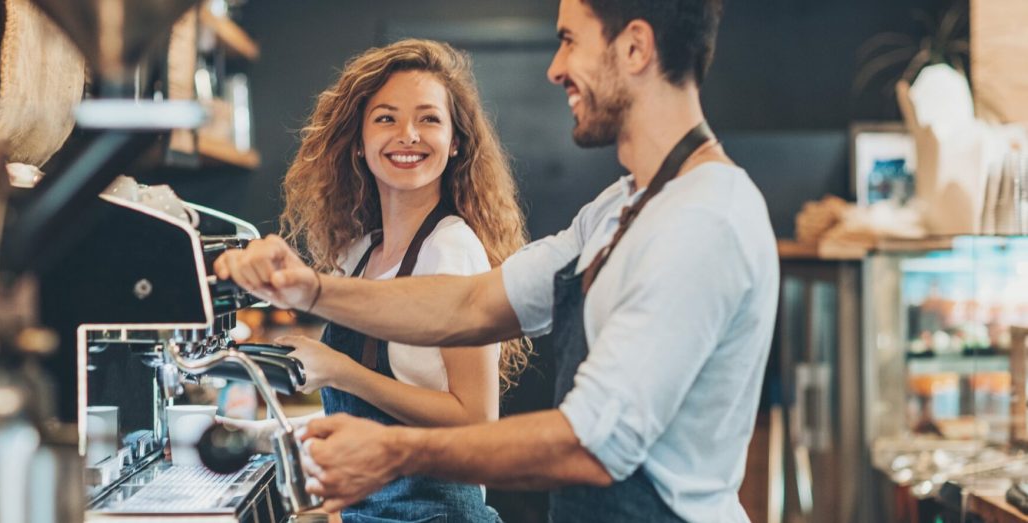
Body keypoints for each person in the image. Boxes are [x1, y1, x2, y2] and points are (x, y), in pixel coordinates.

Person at [214, 0, 778, 521]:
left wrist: (392, 449)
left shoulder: (703, 219)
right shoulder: (619, 209)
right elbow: (471, 302)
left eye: (568, 41)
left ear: (634, 48)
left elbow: (589, 446)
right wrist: (307, 289)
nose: (556, 68)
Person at [220, 39, 529, 523]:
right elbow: (363, 420)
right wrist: (257, 434)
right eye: (386, 118)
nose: (408, 135)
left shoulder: (450, 248)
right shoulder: (359, 252)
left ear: (454, 142)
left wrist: (340, 370)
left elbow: (475, 419)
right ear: (360, 143)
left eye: (428, 119)